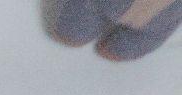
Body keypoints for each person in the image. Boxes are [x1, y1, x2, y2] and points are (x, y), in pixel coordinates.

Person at [48, 0, 182, 60]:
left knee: (77, 23)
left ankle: (73, 33)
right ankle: (119, 50)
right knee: (148, 37)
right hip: (162, 16)